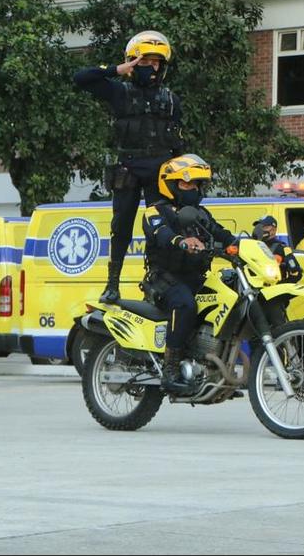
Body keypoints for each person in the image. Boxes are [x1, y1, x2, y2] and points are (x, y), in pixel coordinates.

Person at [74, 31, 184, 304]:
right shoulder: (119, 91)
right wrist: (116, 70)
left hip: (160, 168)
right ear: (133, 62)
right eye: (146, 61)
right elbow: (80, 79)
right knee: (120, 226)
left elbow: (179, 139)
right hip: (130, 167)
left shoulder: (170, 99)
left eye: (158, 63)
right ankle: (112, 284)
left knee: (158, 228)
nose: (153, 68)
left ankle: (156, 282)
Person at [141, 155, 236, 395]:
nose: (192, 189)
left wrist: (240, 244)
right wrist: (181, 241)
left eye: (195, 185)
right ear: (171, 184)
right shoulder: (155, 211)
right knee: (185, 304)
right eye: (186, 184)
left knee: (229, 297)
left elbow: (220, 233)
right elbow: (161, 233)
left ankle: (216, 368)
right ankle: (170, 369)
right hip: (165, 278)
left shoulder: (200, 213)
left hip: (195, 277)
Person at [252, 215, 303, 284]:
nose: (260, 230)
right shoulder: (254, 246)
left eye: (264, 227)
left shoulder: (282, 248)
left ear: (273, 230)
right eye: (258, 227)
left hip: (273, 289)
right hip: (255, 288)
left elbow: (296, 274)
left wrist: (280, 286)